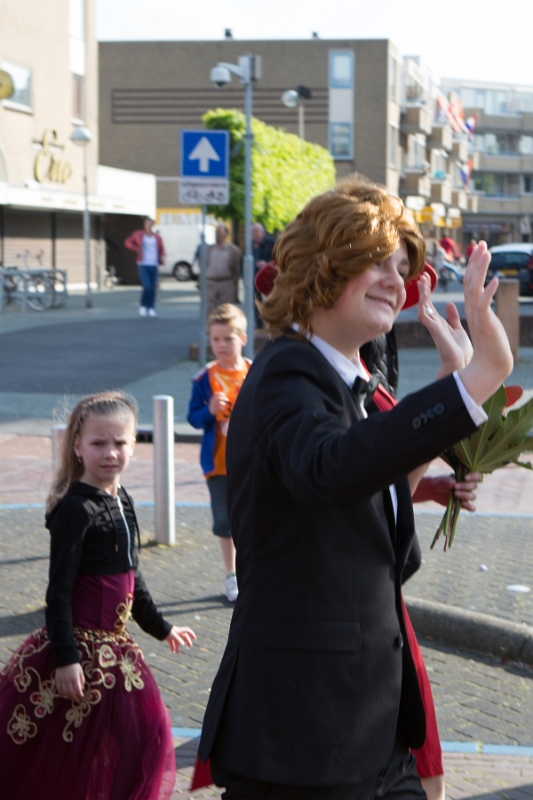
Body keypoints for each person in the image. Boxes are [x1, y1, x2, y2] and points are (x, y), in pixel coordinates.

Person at [197, 176, 513, 800]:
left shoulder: (343, 383)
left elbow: (366, 497)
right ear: (322, 267)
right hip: (305, 737)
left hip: (369, 731)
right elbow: (329, 470)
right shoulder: (287, 369)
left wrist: (453, 383)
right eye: (376, 261)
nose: (398, 280)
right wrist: (475, 382)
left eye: (402, 266)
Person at [0, 391, 196, 800]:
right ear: (77, 446)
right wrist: (67, 658)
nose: (110, 453)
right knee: (63, 749)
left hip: (117, 653)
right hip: (80, 652)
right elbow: (58, 592)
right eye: (98, 443)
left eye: (120, 443)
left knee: (150, 735)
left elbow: (132, 576)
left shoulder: (121, 499)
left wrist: (162, 628)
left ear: (134, 445)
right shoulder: (75, 509)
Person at [187, 304, 251, 603]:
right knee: (225, 523)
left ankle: (255, 571)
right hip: (219, 464)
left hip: (252, 463)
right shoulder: (203, 378)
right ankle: (232, 575)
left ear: (243, 339)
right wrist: (209, 411)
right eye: (216, 339)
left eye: (228, 338)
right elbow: (193, 417)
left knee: (254, 519)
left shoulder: (255, 372)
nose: (222, 345)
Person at [124, 217, 166, 317]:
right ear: (144, 225)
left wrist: (163, 256)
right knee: (146, 286)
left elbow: (161, 248)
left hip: (154, 264)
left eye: (151, 224)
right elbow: (128, 242)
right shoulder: (139, 235)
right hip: (143, 264)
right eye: (147, 224)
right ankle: (143, 306)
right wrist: (135, 248)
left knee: (152, 287)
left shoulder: (157, 237)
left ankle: (151, 307)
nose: (149, 226)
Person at [206, 224, 241, 317]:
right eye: (216, 232)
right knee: (210, 311)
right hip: (211, 283)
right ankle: (211, 331)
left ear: (226, 234)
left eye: (220, 232)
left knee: (226, 311)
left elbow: (236, 269)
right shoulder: (209, 249)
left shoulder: (233, 250)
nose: (217, 235)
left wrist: (235, 286)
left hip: (226, 283)